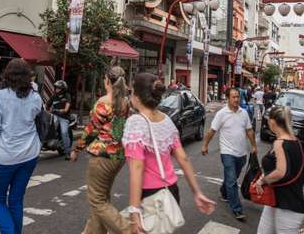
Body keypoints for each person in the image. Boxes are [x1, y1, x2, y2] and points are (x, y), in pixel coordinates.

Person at [122, 73, 216, 234]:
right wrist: (197, 192)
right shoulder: (166, 120)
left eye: (131, 92)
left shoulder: (135, 123)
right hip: (171, 191)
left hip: (150, 196)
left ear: (136, 96)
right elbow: (183, 159)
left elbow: (137, 169)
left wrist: (134, 210)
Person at [0, 59, 43, 234]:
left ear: (7, 75)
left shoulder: (1, 96)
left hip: (5, 157)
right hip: (30, 154)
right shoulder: (36, 97)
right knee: (16, 200)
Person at [70, 66, 131, 234]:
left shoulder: (104, 102)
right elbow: (118, 131)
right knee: (102, 198)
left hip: (102, 157)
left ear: (106, 81)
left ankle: (129, 231)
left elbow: (92, 130)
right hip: (118, 155)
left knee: (97, 201)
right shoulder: (125, 102)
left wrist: (77, 149)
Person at [254, 106, 304, 234]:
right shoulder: (296, 142)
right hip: (273, 200)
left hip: (288, 205)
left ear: (272, 122)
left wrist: (262, 181)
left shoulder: (280, 143)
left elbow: (281, 172)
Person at [201, 87, 258, 220]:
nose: (236, 99)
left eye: (238, 97)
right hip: (227, 152)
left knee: (232, 178)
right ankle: (237, 209)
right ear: (228, 98)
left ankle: (224, 192)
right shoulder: (221, 114)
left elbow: (249, 131)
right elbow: (211, 131)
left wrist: (254, 146)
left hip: (241, 153)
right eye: (233, 97)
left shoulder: (243, 113)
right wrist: (205, 145)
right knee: (232, 180)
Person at [47, 80, 72, 160]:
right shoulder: (54, 96)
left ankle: (67, 152)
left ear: (63, 89)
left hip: (64, 117)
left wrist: (63, 110)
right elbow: (47, 105)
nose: (56, 89)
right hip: (54, 116)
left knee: (64, 132)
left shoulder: (67, 96)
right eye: (56, 87)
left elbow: (66, 108)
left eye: (59, 88)